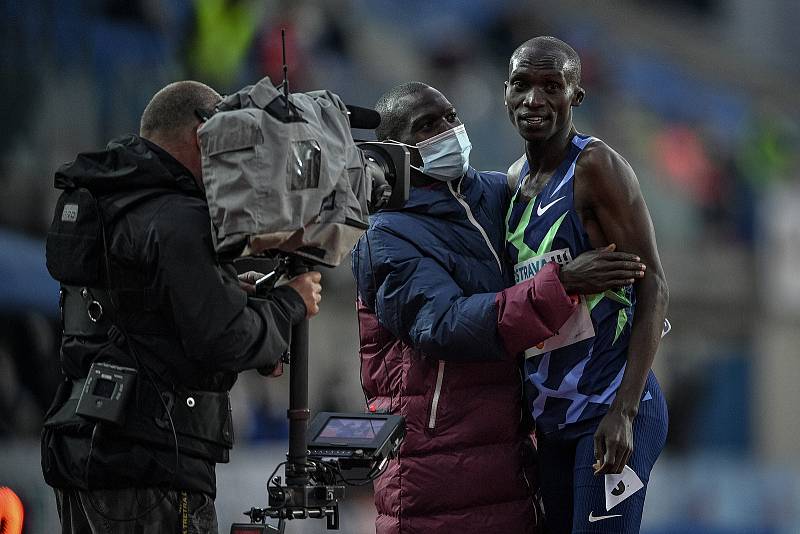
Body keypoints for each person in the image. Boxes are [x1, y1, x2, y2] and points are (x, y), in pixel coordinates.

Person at [352, 82, 648, 534]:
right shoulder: (387, 236)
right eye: (428, 126)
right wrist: (562, 283)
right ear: (395, 150)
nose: (449, 130)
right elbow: (444, 326)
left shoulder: (500, 194)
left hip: (514, 462)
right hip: (434, 476)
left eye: (451, 116)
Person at [41, 81, 323, 534]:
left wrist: (235, 295)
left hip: (82, 448)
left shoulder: (103, 196)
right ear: (203, 133)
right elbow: (224, 339)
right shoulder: (180, 216)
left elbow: (143, 314)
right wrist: (290, 303)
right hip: (152, 462)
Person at [503, 36, 670, 533]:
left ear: (576, 96)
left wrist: (625, 410)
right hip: (553, 420)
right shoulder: (511, 185)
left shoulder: (596, 168)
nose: (534, 99)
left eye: (552, 86)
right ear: (505, 92)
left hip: (611, 409)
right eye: (522, 84)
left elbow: (655, 285)